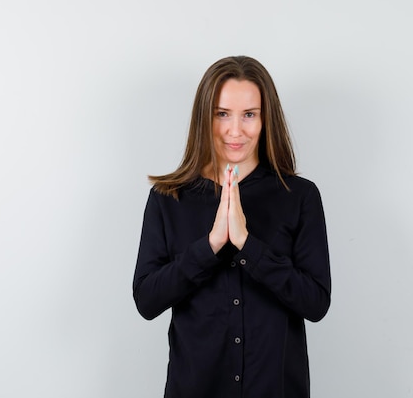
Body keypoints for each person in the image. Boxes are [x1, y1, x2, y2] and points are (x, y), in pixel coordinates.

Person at [133, 56, 331, 398]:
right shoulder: (168, 198)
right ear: (204, 117)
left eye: (249, 114)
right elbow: (147, 300)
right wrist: (210, 246)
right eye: (222, 113)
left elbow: (315, 303)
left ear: (266, 119)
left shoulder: (299, 196)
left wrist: (247, 244)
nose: (235, 130)